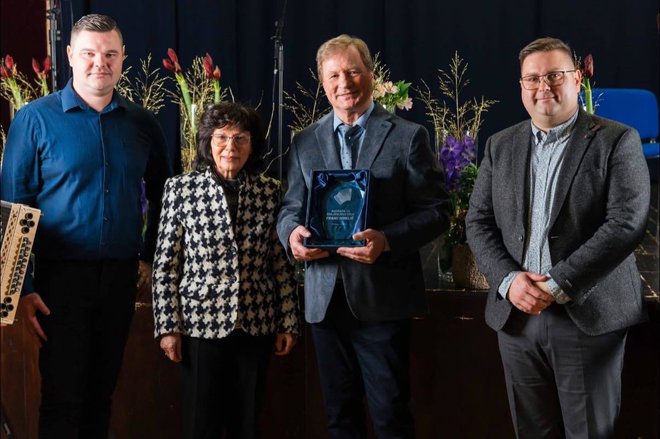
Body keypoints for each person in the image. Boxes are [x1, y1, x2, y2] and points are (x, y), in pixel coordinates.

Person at [466, 37, 650, 438]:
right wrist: (509, 280)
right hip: (516, 317)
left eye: (555, 75)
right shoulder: (501, 145)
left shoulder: (617, 140)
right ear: (521, 86)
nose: (543, 86)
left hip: (586, 314)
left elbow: (625, 224)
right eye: (532, 78)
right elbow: (477, 222)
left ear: (577, 77)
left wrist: (556, 283)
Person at [0, 13, 173, 438]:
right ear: (70, 57)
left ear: (123, 58)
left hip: (119, 279)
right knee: (62, 398)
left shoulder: (142, 124)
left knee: (102, 395)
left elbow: (165, 194)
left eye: (110, 54)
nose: (101, 62)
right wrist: (21, 290)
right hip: (58, 283)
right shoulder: (35, 120)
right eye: (90, 53)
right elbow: (13, 207)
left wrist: (149, 257)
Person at [277, 34, 448, 438]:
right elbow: (289, 210)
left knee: (390, 415)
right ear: (322, 82)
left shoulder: (408, 136)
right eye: (334, 75)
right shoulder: (304, 142)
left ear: (371, 74)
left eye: (353, 71)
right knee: (339, 417)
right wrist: (293, 236)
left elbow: (438, 211)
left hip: (383, 300)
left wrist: (386, 240)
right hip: (323, 302)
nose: (345, 83)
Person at [152, 102, 300, 439]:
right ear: (208, 142)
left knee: (246, 425)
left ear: (252, 144)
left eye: (240, 138)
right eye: (221, 138)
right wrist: (167, 327)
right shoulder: (181, 190)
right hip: (198, 327)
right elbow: (165, 265)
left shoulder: (270, 192)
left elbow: (280, 262)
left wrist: (288, 320)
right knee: (199, 425)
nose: (230, 147)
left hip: (256, 325)